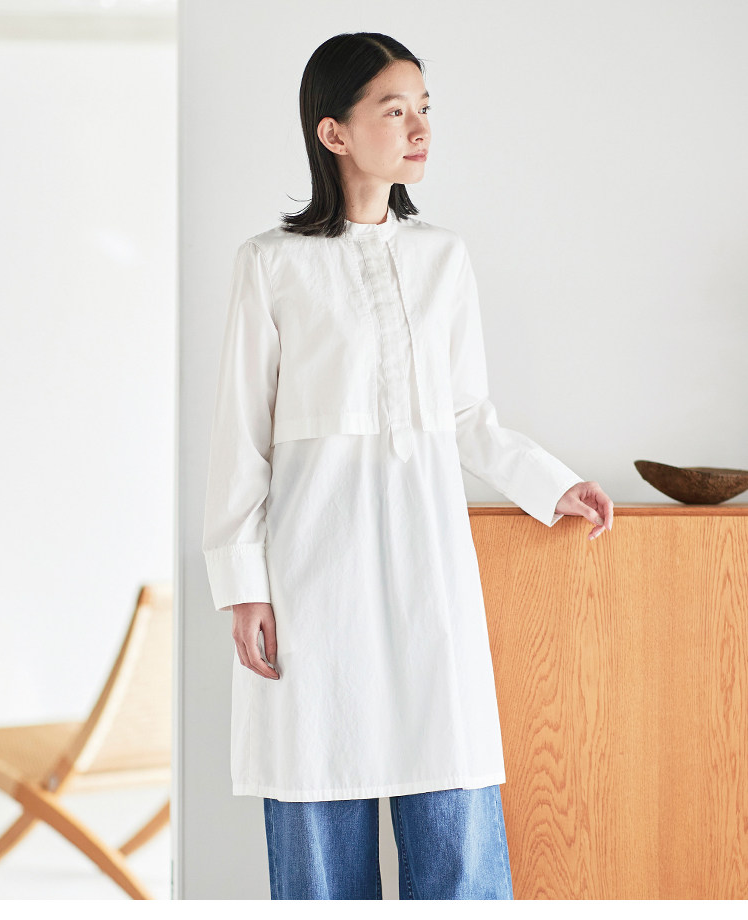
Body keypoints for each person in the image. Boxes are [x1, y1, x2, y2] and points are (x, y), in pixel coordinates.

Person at [202, 31, 614, 901]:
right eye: (395, 111)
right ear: (334, 131)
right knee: (317, 800)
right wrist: (244, 587)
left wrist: (552, 483)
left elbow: (464, 416)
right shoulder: (270, 265)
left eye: (425, 108)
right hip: (314, 576)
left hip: (428, 571)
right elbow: (241, 436)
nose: (420, 128)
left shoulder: (443, 259)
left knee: (455, 810)